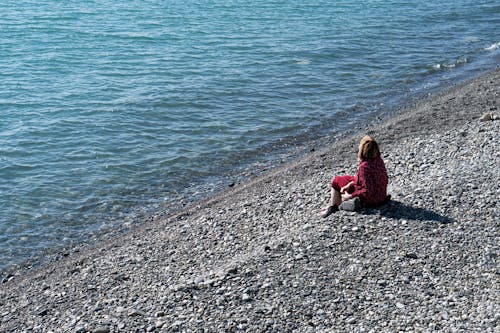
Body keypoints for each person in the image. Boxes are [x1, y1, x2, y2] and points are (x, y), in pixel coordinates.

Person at [319, 135, 389, 218]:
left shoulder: (364, 166)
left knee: (336, 180)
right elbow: (371, 181)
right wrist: (351, 184)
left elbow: (367, 190)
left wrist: (350, 196)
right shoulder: (379, 160)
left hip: (372, 200)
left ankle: (333, 207)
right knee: (347, 178)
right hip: (381, 195)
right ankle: (337, 203)